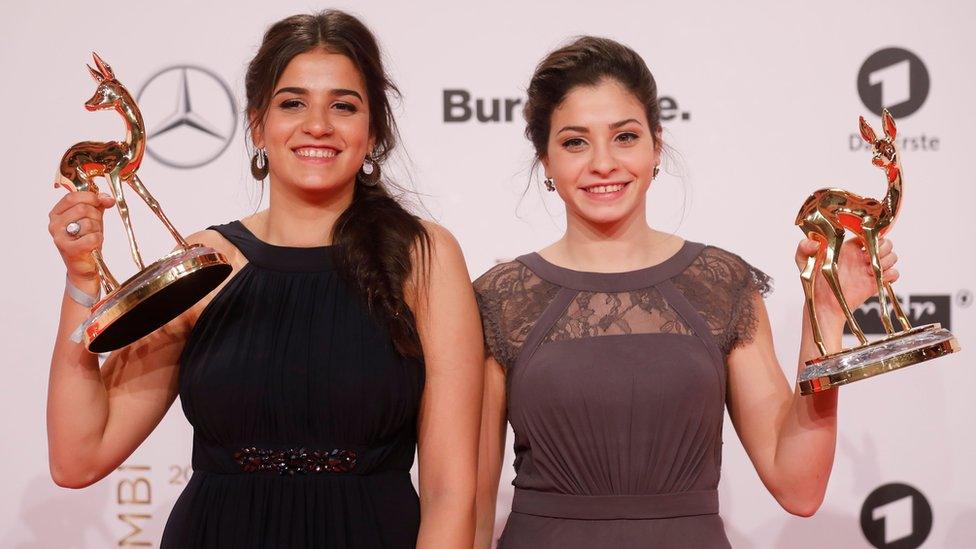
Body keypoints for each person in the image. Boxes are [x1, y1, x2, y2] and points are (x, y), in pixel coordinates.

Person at [46, 10, 482, 548]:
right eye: (292, 103)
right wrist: (82, 277)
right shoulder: (204, 261)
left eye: (343, 106)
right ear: (257, 124)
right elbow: (78, 457)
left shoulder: (423, 256)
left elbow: (450, 493)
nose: (317, 125)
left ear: (372, 133)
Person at [473, 36, 899, 548]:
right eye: (575, 141)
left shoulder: (721, 284)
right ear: (545, 160)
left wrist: (824, 319)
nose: (603, 163)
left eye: (625, 137)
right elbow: (470, 505)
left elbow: (799, 486)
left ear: (656, 145)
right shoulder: (502, 299)